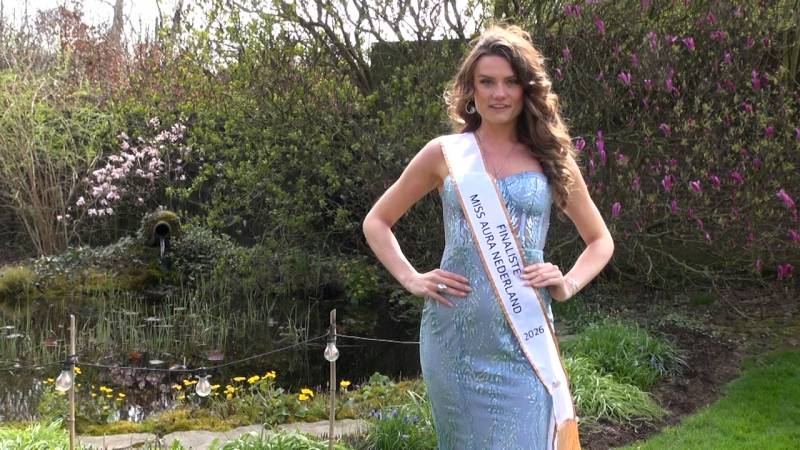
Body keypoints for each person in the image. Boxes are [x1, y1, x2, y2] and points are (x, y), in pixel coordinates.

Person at [362, 24, 614, 449]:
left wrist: (567, 283)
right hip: (453, 339)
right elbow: (377, 221)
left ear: (526, 88)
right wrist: (411, 278)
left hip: (524, 340)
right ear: (471, 89)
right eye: (487, 82)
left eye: (511, 82)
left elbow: (600, 240)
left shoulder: (550, 158)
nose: (500, 93)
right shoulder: (445, 153)